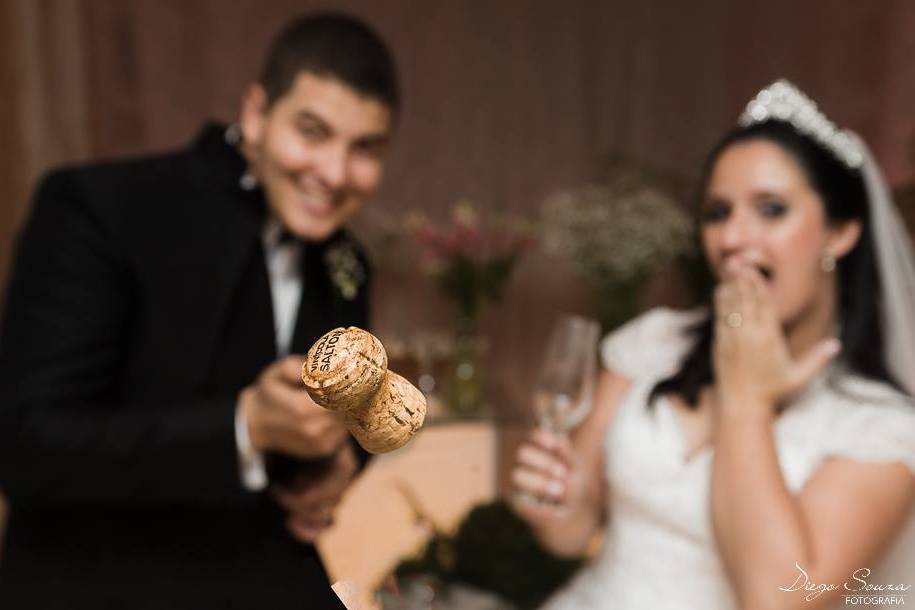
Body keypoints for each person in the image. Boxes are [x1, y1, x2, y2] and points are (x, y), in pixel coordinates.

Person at [0, 12, 398, 610]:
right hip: (101, 580)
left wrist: (340, 466)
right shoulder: (99, 208)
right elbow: (27, 451)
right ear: (257, 114)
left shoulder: (347, 261)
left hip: (262, 572)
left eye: (364, 148)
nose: (335, 174)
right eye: (312, 132)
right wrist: (244, 428)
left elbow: (337, 420)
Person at [510, 80, 915, 610]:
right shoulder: (654, 343)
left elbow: (777, 600)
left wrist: (746, 397)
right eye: (717, 213)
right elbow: (573, 531)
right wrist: (555, 506)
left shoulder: (881, 427)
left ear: (839, 232)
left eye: (770, 210)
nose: (733, 238)